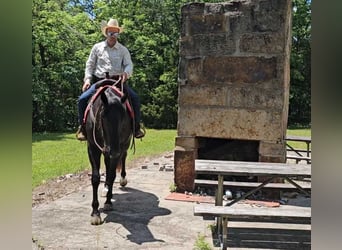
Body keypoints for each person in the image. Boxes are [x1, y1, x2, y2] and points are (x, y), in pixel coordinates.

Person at [76, 18, 145, 140]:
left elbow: (129, 64)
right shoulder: (97, 48)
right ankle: (82, 128)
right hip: (100, 82)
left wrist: (126, 73)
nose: (113, 35)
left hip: (118, 82)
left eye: (115, 33)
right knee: (82, 99)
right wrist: (87, 79)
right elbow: (90, 64)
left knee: (135, 98)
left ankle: (136, 127)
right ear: (106, 32)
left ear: (118, 33)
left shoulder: (123, 50)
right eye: (110, 33)